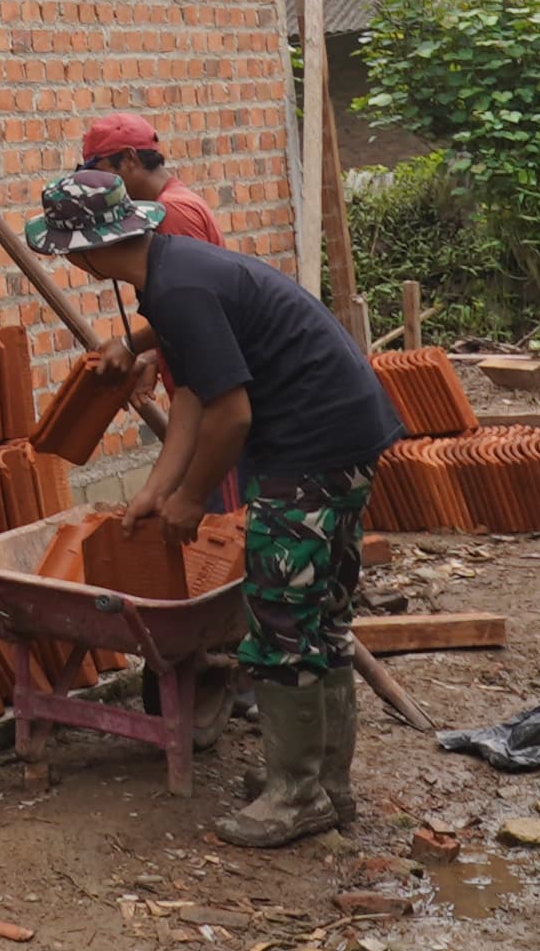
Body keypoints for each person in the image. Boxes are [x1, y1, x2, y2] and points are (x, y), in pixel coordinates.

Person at [29, 160, 403, 847]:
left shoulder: (178, 292)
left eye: (66, 252)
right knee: (321, 616)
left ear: (86, 253)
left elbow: (231, 417)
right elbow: (194, 396)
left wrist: (192, 499)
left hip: (312, 446)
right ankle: (326, 784)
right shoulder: (170, 270)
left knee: (283, 618)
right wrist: (156, 490)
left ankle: (297, 796)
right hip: (345, 431)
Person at [81, 111, 228, 249]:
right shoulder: (173, 201)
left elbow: (188, 269)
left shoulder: (170, 210)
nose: (98, 184)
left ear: (128, 158)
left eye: (99, 172)